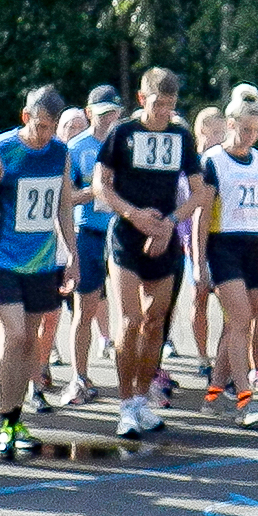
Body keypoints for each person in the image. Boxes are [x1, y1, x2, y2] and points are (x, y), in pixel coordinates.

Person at [95, 67, 209, 438]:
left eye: (170, 106)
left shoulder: (181, 135)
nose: (163, 112)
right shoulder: (122, 132)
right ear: (143, 100)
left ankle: (143, 399)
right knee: (128, 321)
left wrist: (169, 223)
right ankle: (125, 404)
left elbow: (199, 192)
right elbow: (101, 184)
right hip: (126, 235)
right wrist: (133, 214)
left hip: (165, 235)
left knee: (155, 321)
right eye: (157, 104)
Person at [0, 86, 81, 458]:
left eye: (51, 128)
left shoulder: (60, 153)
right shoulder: (0, 151)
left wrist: (73, 255)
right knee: (14, 335)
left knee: (31, 341)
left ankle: (16, 418)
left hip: (43, 262)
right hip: (3, 261)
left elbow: (64, 206)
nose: (45, 135)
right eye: (41, 126)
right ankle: (4, 422)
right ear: (26, 117)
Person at [194, 85, 258, 426]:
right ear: (230, 124)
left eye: (255, 131)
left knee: (243, 321)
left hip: (253, 244)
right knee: (240, 319)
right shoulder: (213, 161)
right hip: (223, 244)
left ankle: (213, 395)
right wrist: (199, 262)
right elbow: (201, 213)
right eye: (244, 129)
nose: (250, 136)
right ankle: (245, 401)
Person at [58, 85, 122, 406]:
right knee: (85, 309)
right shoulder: (75, 147)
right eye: (102, 114)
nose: (109, 119)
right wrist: (96, 191)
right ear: (88, 114)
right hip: (89, 233)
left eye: (113, 113)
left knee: (131, 312)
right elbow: (65, 198)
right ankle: (79, 377)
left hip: (124, 233)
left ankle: (138, 379)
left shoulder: (128, 144)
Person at [186, 105, 227, 376]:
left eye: (223, 131)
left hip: (222, 236)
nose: (221, 136)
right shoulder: (193, 162)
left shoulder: (224, 160)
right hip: (194, 237)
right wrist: (189, 243)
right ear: (201, 130)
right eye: (216, 131)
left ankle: (225, 355)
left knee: (228, 300)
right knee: (199, 296)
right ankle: (202, 356)